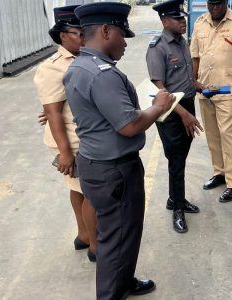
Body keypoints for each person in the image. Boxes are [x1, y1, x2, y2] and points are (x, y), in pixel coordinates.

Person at [63, 2, 175, 298]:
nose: (125, 43)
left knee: (123, 235)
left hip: (96, 163)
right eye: (122, 35)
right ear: (105, 30)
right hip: (114, 170)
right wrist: (158, 107)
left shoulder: (78, 66)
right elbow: (129, 125)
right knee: (116, 240)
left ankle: (124, 282)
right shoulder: (102, 74)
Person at [34, 5, 97, 262]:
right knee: (92, 191)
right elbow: (53, 113)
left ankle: (83, 235)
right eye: (78, 33)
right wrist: (65, 153)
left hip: (79, 135)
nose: (84, 37)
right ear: (62, 35)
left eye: (85, 32)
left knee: (78, 187)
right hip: (71, 140)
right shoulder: (53, 68)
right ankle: (96, 247)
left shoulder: (85, 57)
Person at [190, 0, 232, 202]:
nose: (214, 7)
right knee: (212, 135)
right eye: (211, 4)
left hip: (228, 89)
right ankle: (219, 173)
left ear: (226, 2)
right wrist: (193, 83)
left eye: (219, 3)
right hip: (205, 88)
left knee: (227, 134)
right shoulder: (199, 23)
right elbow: (195, 57)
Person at [146, 0, 203, 233]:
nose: (183, 22)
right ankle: (177, 208)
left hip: (187, 105)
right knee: (176, 160)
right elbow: (160, 89)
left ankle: (174, 198)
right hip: (171, 111)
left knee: (181, 158)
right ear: (164, 21)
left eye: (183, 18)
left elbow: (186, 79)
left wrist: (201, 86)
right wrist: (183, 114)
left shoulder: (182, 42)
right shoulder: (157, 47)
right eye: (178, 19)